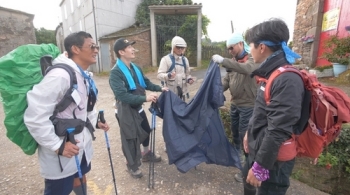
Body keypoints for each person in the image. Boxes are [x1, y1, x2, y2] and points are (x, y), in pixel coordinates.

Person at [24, 31, 110, 195]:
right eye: (92, 46)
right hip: (62, 150)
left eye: (97, 46)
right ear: (75, 49)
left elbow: (83, 108)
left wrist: (95, 123)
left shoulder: (83, 75)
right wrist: (57, 146)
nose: (97, 50)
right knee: (59, 190)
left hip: (80, 144)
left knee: (80, 175)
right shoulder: (60, 76)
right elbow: (35, 116)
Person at [242, 18, 303, 195]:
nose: (249, 50)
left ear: (262, 47)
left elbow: (278, 129)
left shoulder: (287, 79)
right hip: (259, 149)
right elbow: (262, 111)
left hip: (273, 161)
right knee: (248, 186)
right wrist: (249, 132)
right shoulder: (270, 73)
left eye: (250, 45)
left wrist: (261, 167)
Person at [109, 38, 168, 178]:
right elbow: (122, 96)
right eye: (129, 47)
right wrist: (145, 98)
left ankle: (146, 153)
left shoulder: (135, 68)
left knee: (146, 130)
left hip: (137, 107)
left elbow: (146, 83)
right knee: (131, 138)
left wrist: (160, 88)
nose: (133, 49)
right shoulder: (115, 73)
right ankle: (131, 165)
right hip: (125, 110)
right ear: (121, 52)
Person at [212, 32, 259, 183]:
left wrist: (224, 61)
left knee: (246, 136)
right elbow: (226, 80)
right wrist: (215, 90)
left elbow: (247, 69)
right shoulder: (232, 61)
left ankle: (246, 168)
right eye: (228, 49)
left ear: (240, 43)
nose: (230, 51)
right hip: (235, 104)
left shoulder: (252, 58)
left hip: (248, 105)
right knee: (235, 132)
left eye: (232, 48)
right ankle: (236, 157)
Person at [157, 36, 194, 101]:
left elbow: (187, 74)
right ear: (173, 47)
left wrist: (189, 79)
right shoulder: (165, 59)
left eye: (182, 47)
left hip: (182, 94)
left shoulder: (185, 60)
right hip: (170, 95)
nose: (180, 49)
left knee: (182, 110)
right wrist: (168, 75)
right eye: (178, 47)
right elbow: (159, 75)